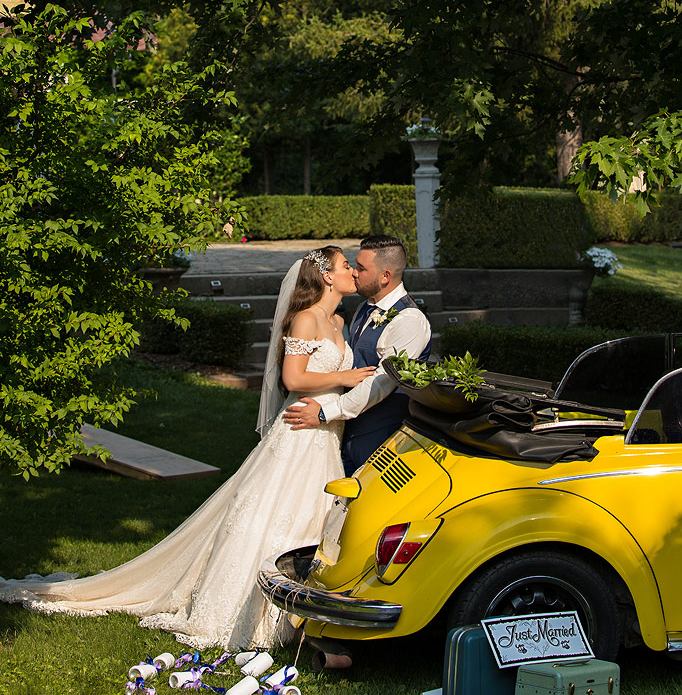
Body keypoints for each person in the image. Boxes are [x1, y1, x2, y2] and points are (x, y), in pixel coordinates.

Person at [0, 246, 375, 649]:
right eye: (345, 265)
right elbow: (293, 379)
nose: (353, 271)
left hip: (325, 437)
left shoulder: (339, 320)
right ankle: (245, 607)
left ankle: (303, 611)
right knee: (272, 513)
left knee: (312, 516)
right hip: (298, 432)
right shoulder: (306, 318)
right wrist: (347, 376)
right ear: (327, 277)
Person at [283, 234, 432, 473]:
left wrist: (324, 413)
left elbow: (382, 382)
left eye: (361, 268)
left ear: (385, 276)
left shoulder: (410, 320)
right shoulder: (364, 308)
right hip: (343, 432)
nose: (354, 272)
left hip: (382, 439)